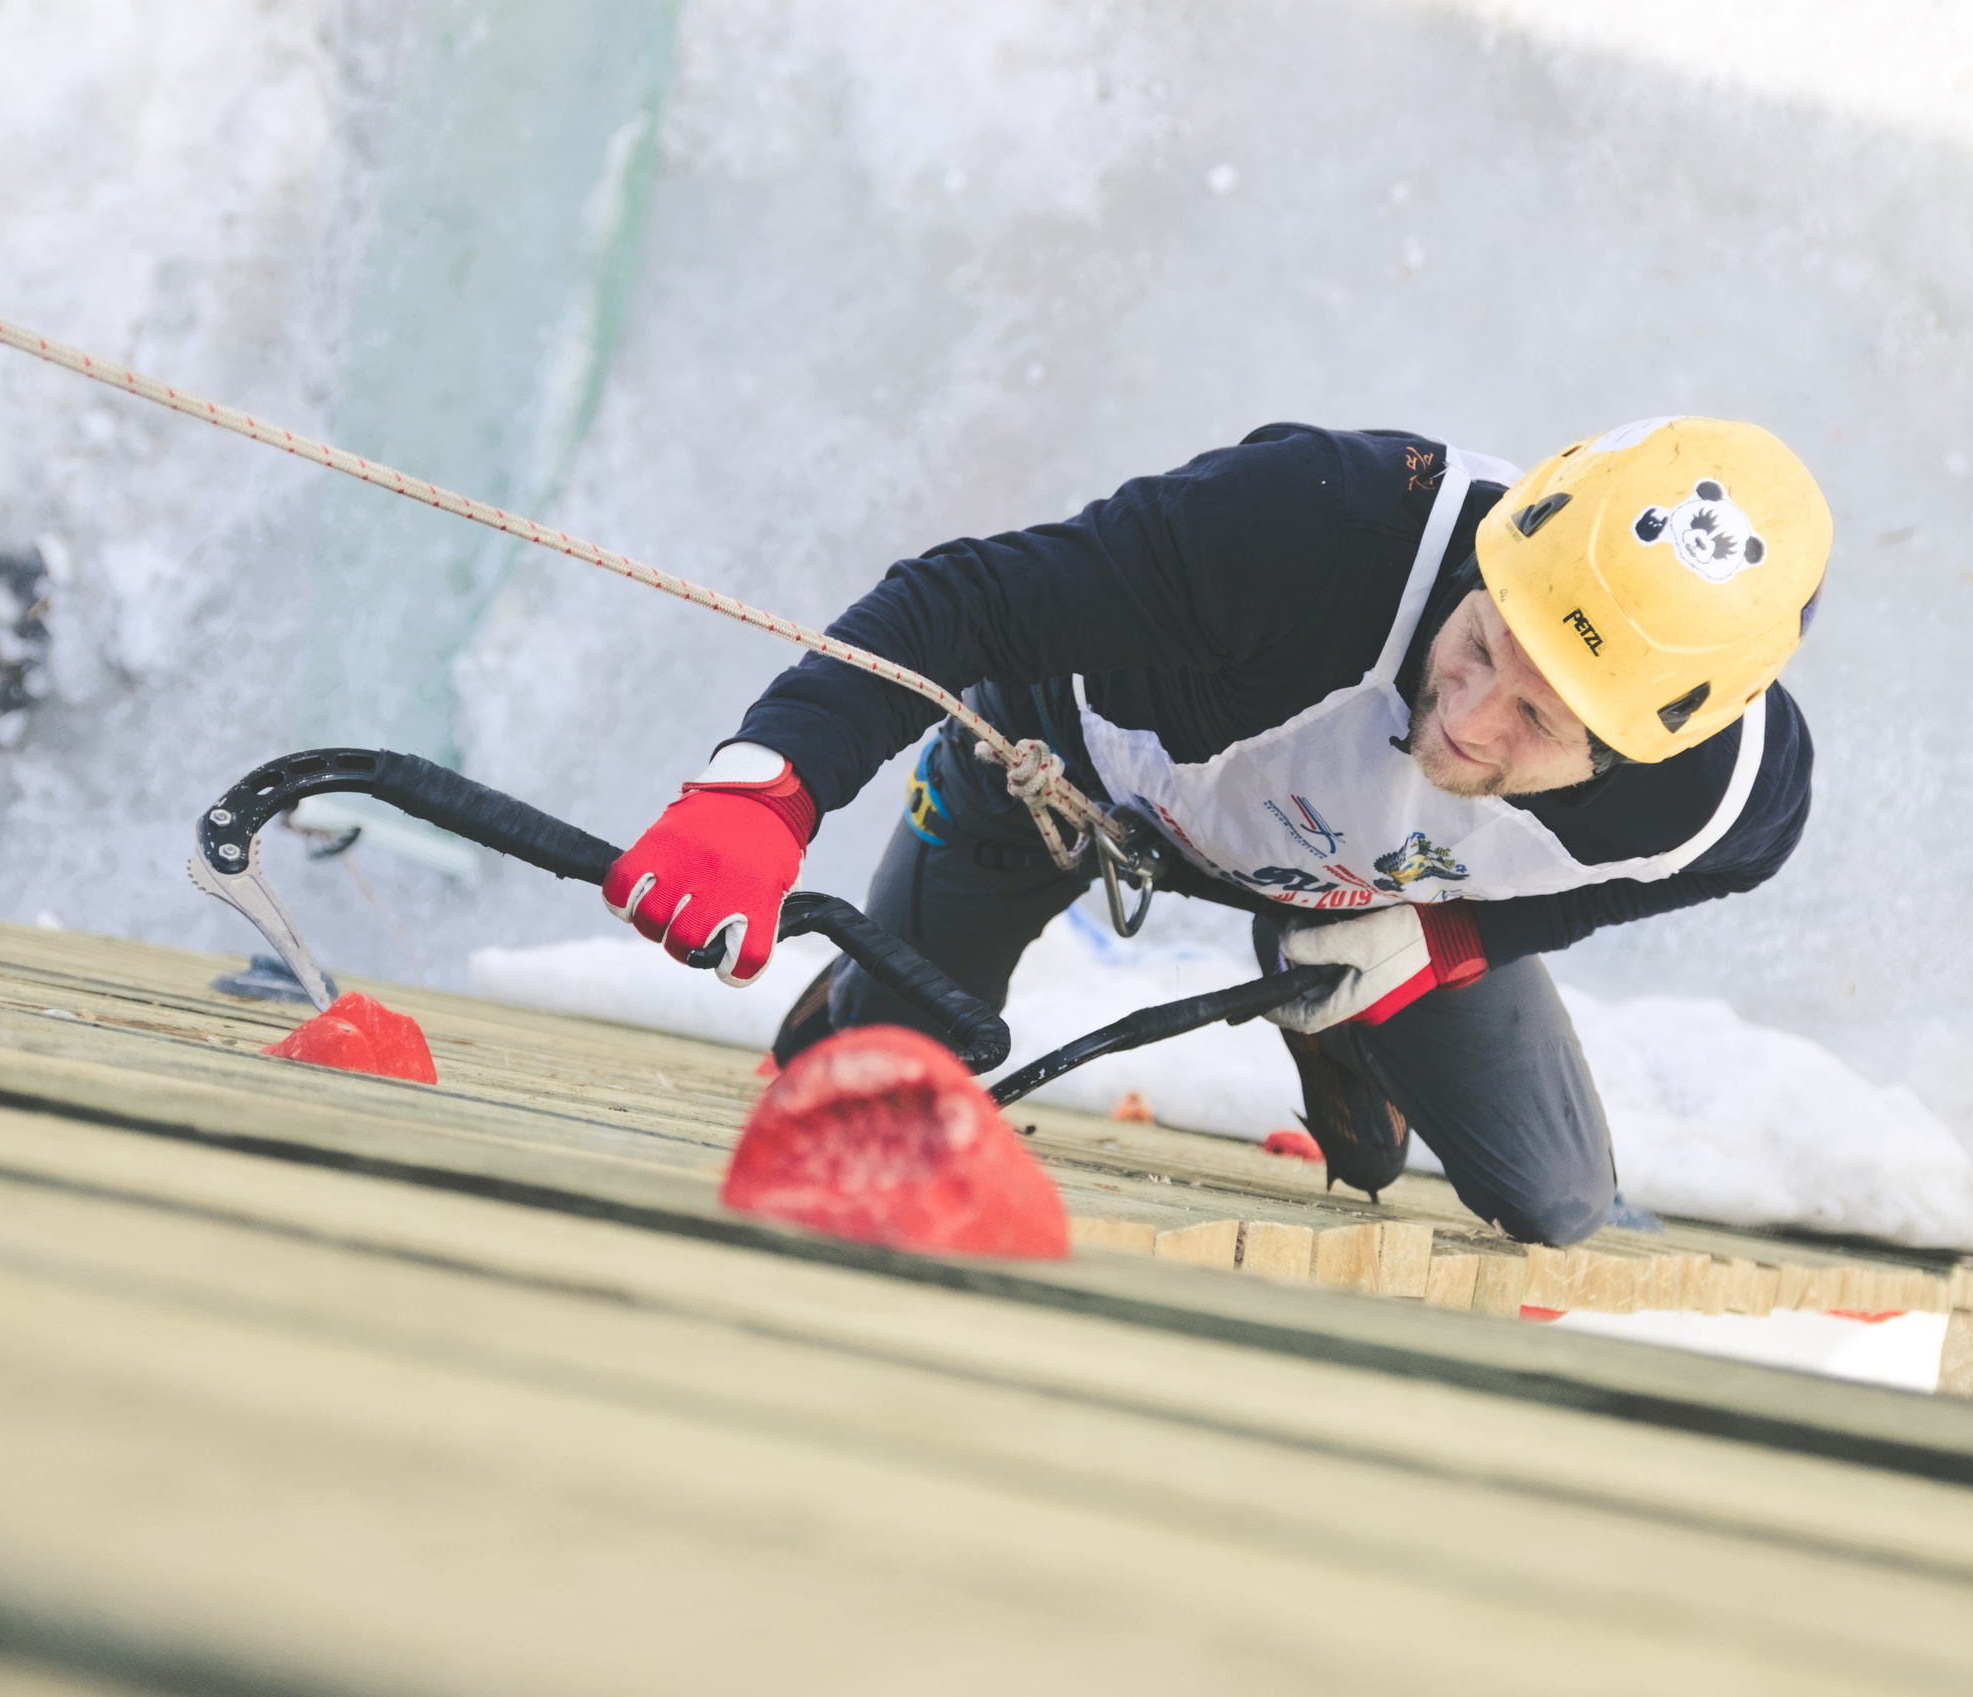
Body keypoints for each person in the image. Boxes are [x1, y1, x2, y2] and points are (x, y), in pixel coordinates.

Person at [602, 418, 1829, 1246]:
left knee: (1555, 1201)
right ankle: (864, 985)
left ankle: (1330, 987)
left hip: (1363, 891)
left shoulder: (1722, 789)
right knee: (880, 1085)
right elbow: (961, 598)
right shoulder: (1309, 522)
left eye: (1535, 722)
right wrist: (773, 784)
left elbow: (1707, 863)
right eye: (1477, 645)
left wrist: (1442, 942)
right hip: (1069, 788)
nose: (1463, 720)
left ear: (1648, 743)